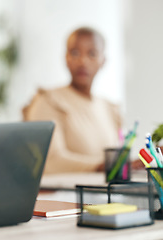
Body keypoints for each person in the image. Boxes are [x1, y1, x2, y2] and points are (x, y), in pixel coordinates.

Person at [23, 27, 121, 174]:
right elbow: (51, 161)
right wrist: (105, 165)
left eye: (92, 54)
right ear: (66, 58)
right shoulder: (48, 100)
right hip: (65, 196)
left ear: (103, 61)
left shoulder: (110, 108)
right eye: (75, 53)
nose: (82, 61)